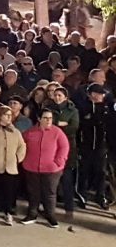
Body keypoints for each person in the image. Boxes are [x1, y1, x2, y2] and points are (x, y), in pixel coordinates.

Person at [21, 109, 70, 227]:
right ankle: (32, 213)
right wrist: (24, 160)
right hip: (32, 167)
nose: (48, 121)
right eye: (45, 118)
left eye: (50, 118)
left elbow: (64, 147)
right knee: (33, 192)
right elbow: (22, 145)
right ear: (39, 119)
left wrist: (58, 162)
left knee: (50, 193)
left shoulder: (57, 132)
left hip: (51, 169)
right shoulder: (30, 132)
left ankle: (50, 214)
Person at [48, 86, 80, 220]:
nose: (57, 97)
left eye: (60, 95)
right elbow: (47, 125)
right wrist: (60, 125)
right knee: (50, 181)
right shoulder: (49, 109)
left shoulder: (73, 110)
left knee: (67, 180)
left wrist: (58, 127)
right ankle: (49, 209)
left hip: (68, 148)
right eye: (55, 95)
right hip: (51, 147)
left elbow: (74, 127)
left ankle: (69, 208)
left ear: (66, 97)